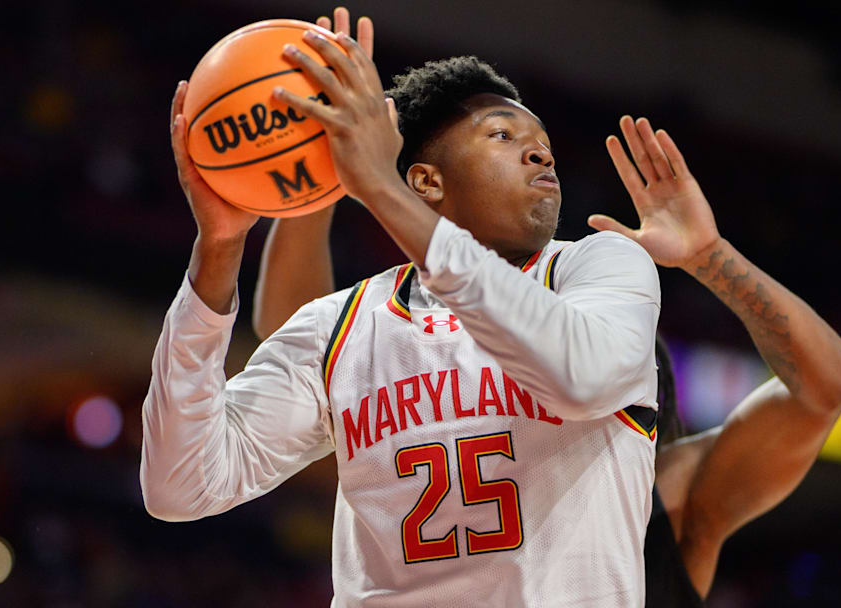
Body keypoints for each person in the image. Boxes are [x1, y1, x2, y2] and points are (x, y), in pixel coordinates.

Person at [245, 9, 841, 607]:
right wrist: (321, 179)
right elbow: (298, 346)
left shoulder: (671, 494)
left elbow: (823, 389)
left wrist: (709, 256)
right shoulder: (431, 380)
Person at [143, 11, 667, 608]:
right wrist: (218, 248)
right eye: (504, 136)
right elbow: (180, 487)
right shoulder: (338, 324)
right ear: (426, 181)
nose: (540, 157)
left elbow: (582, 377)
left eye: (543, 148)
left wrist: (377, 187)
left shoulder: (598, 267)